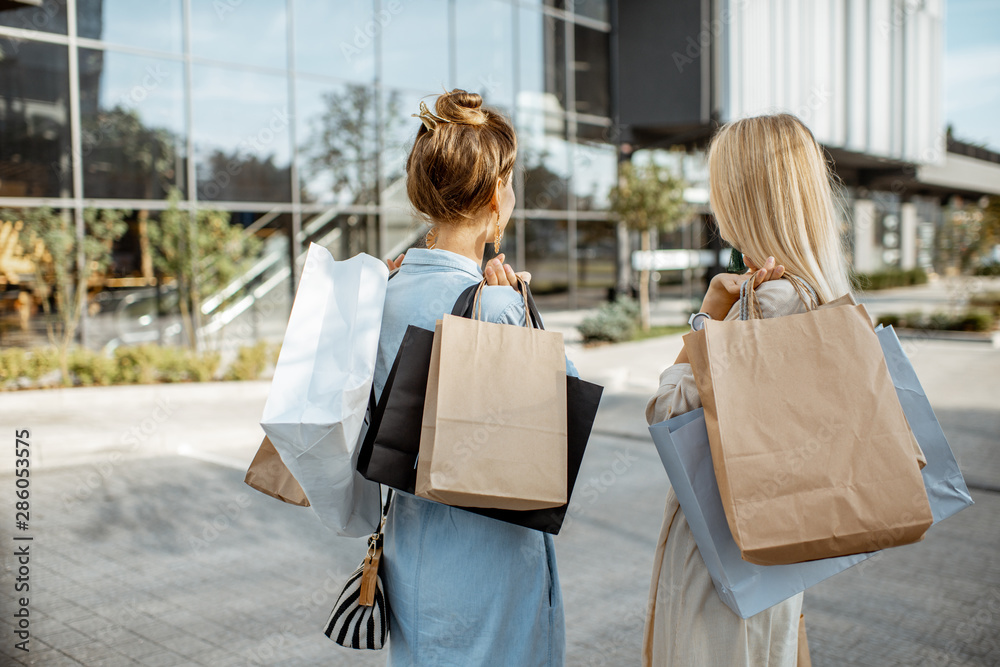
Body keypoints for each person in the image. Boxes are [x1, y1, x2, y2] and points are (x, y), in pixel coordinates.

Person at [643, 113, 854, 666]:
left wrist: (709, 316)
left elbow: (668, 411)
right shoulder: (809, 297)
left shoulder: (765, 305)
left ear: (743, 198)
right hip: (768, 556)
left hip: (722, 559)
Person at [376, 89, 572, 666]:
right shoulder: (495, 304)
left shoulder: (380, 291)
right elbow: (561, 416)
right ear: (495, 195)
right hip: (492, 567)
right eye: (509, 180)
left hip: (413, 555)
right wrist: (516, 310)